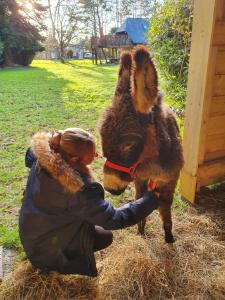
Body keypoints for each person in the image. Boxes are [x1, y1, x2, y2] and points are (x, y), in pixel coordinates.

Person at [19, 128, 159, 277]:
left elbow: (29, 155)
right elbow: (114, 218)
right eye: (92, 154)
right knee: (105, 236)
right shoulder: (78, 191)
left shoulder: (44, 155)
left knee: (88, 222)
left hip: (32, 235)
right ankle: (55, 266)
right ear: (74, 159)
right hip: (47, 253)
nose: (97, 154)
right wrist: (150, 199)